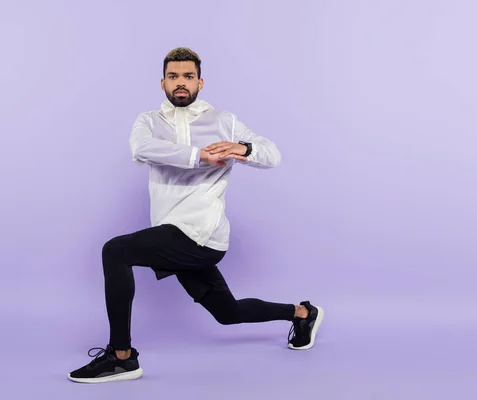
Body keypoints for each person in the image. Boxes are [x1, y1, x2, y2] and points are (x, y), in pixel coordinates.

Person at [68, 47, 324, 384]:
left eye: (188, 76)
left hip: (203, 233)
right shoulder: (149, 121)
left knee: (115, 251)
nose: (181, 83)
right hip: (170, 233)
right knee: (228, 314)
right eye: (173, 77)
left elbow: (272, 154)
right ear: (162, 83)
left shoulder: (223, 120)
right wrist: (198, 155)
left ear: (200, 82)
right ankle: (303, 313)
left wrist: (243, 148)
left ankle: (122, 356)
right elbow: (140, 149)